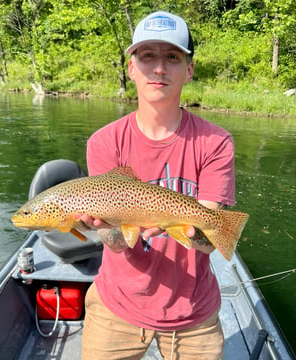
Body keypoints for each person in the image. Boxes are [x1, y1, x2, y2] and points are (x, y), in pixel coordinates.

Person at [81, 10, 235, 360]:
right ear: (132, 67)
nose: (160, 68)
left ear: (189, 69)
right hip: (116, 307)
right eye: (148, 56)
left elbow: (210, 244)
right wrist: (107, 228)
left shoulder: (215, 142)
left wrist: (180, 223)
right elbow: (116, 245)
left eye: (172, 57)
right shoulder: (104, 143)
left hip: (194, 314)